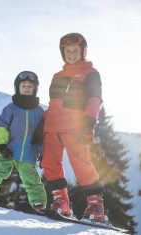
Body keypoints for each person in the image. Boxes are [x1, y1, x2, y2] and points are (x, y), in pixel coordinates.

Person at [41, 33, 107, 222]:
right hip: (52, 126)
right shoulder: (57, 76)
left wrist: (89, 123)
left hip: (74, 125)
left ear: (83, 52)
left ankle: (96, 205)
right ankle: (61, 202)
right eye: (67, 51)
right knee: (49, 163)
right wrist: (43, 125)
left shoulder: (91, 73)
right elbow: (54, 103)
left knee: (80, 162)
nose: (71, 53)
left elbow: (94, 99)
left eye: (75, 50)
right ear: (63, 53)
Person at [0, 71, 47, 212]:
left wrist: (42, 152)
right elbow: (2, 127)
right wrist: (2, 145)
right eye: (23, 86)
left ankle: (39, 204)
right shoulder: (11, 108)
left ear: (35, 89)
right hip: (8, 150)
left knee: (32, 180)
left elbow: (41, 135)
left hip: (28, 153)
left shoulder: (39, 112)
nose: (27, 88)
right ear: (18, 88)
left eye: (30, 86)